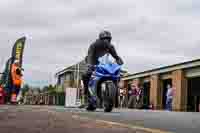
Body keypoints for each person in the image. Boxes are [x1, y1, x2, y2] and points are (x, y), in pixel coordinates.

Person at [82, 30, 124, 110]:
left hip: (104, 64)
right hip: (93, 64)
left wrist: (119, 60)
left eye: (108, 39)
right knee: (86, 75)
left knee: (115, 75)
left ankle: (111, 99)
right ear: (100, 39)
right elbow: (90, 55)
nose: (106, 40)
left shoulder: (110, 46)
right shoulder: (94, 45)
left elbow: (115, 56)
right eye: (104, 39)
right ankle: (87, 93)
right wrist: (90, 64)